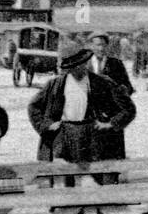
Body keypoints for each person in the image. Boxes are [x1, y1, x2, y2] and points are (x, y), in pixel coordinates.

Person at [27, 44, 136, 163]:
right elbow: (33, 106)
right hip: (62, 136)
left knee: (93, 176)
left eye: (83, 63)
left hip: (93, 137)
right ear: (68, 68)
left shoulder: (103, 83)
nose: (80, 68)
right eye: (74, 66)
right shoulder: (54, 85)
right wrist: (47, 125)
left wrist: (111, 123)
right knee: (62, 176)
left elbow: (128, 109)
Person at [87, 32, 134, 161]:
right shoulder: (84, 65)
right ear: (91, 46)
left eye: (103, 45)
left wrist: (117, 89)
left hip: (112, 117)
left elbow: (128, 88)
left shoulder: (116, 64)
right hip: (91, 117)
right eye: (97, 45)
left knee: (113, 157)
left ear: (107, 46)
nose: (100, 48)